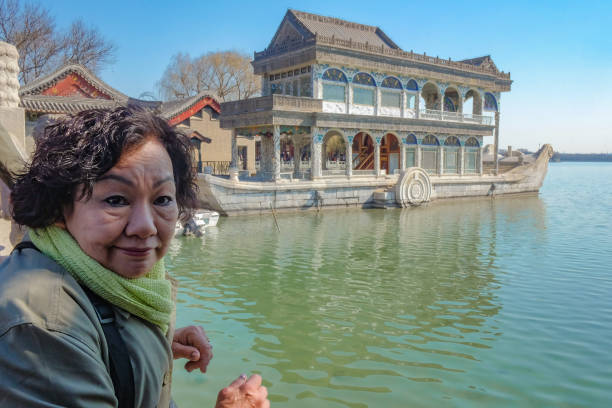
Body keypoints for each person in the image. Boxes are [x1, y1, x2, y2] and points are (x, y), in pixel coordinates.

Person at [0, 107, 270, 408]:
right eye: (116, 200)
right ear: (60, 210)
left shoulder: (115, 282)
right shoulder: (42, 323)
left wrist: (144, 343)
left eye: (163, 199)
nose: (146, 226)